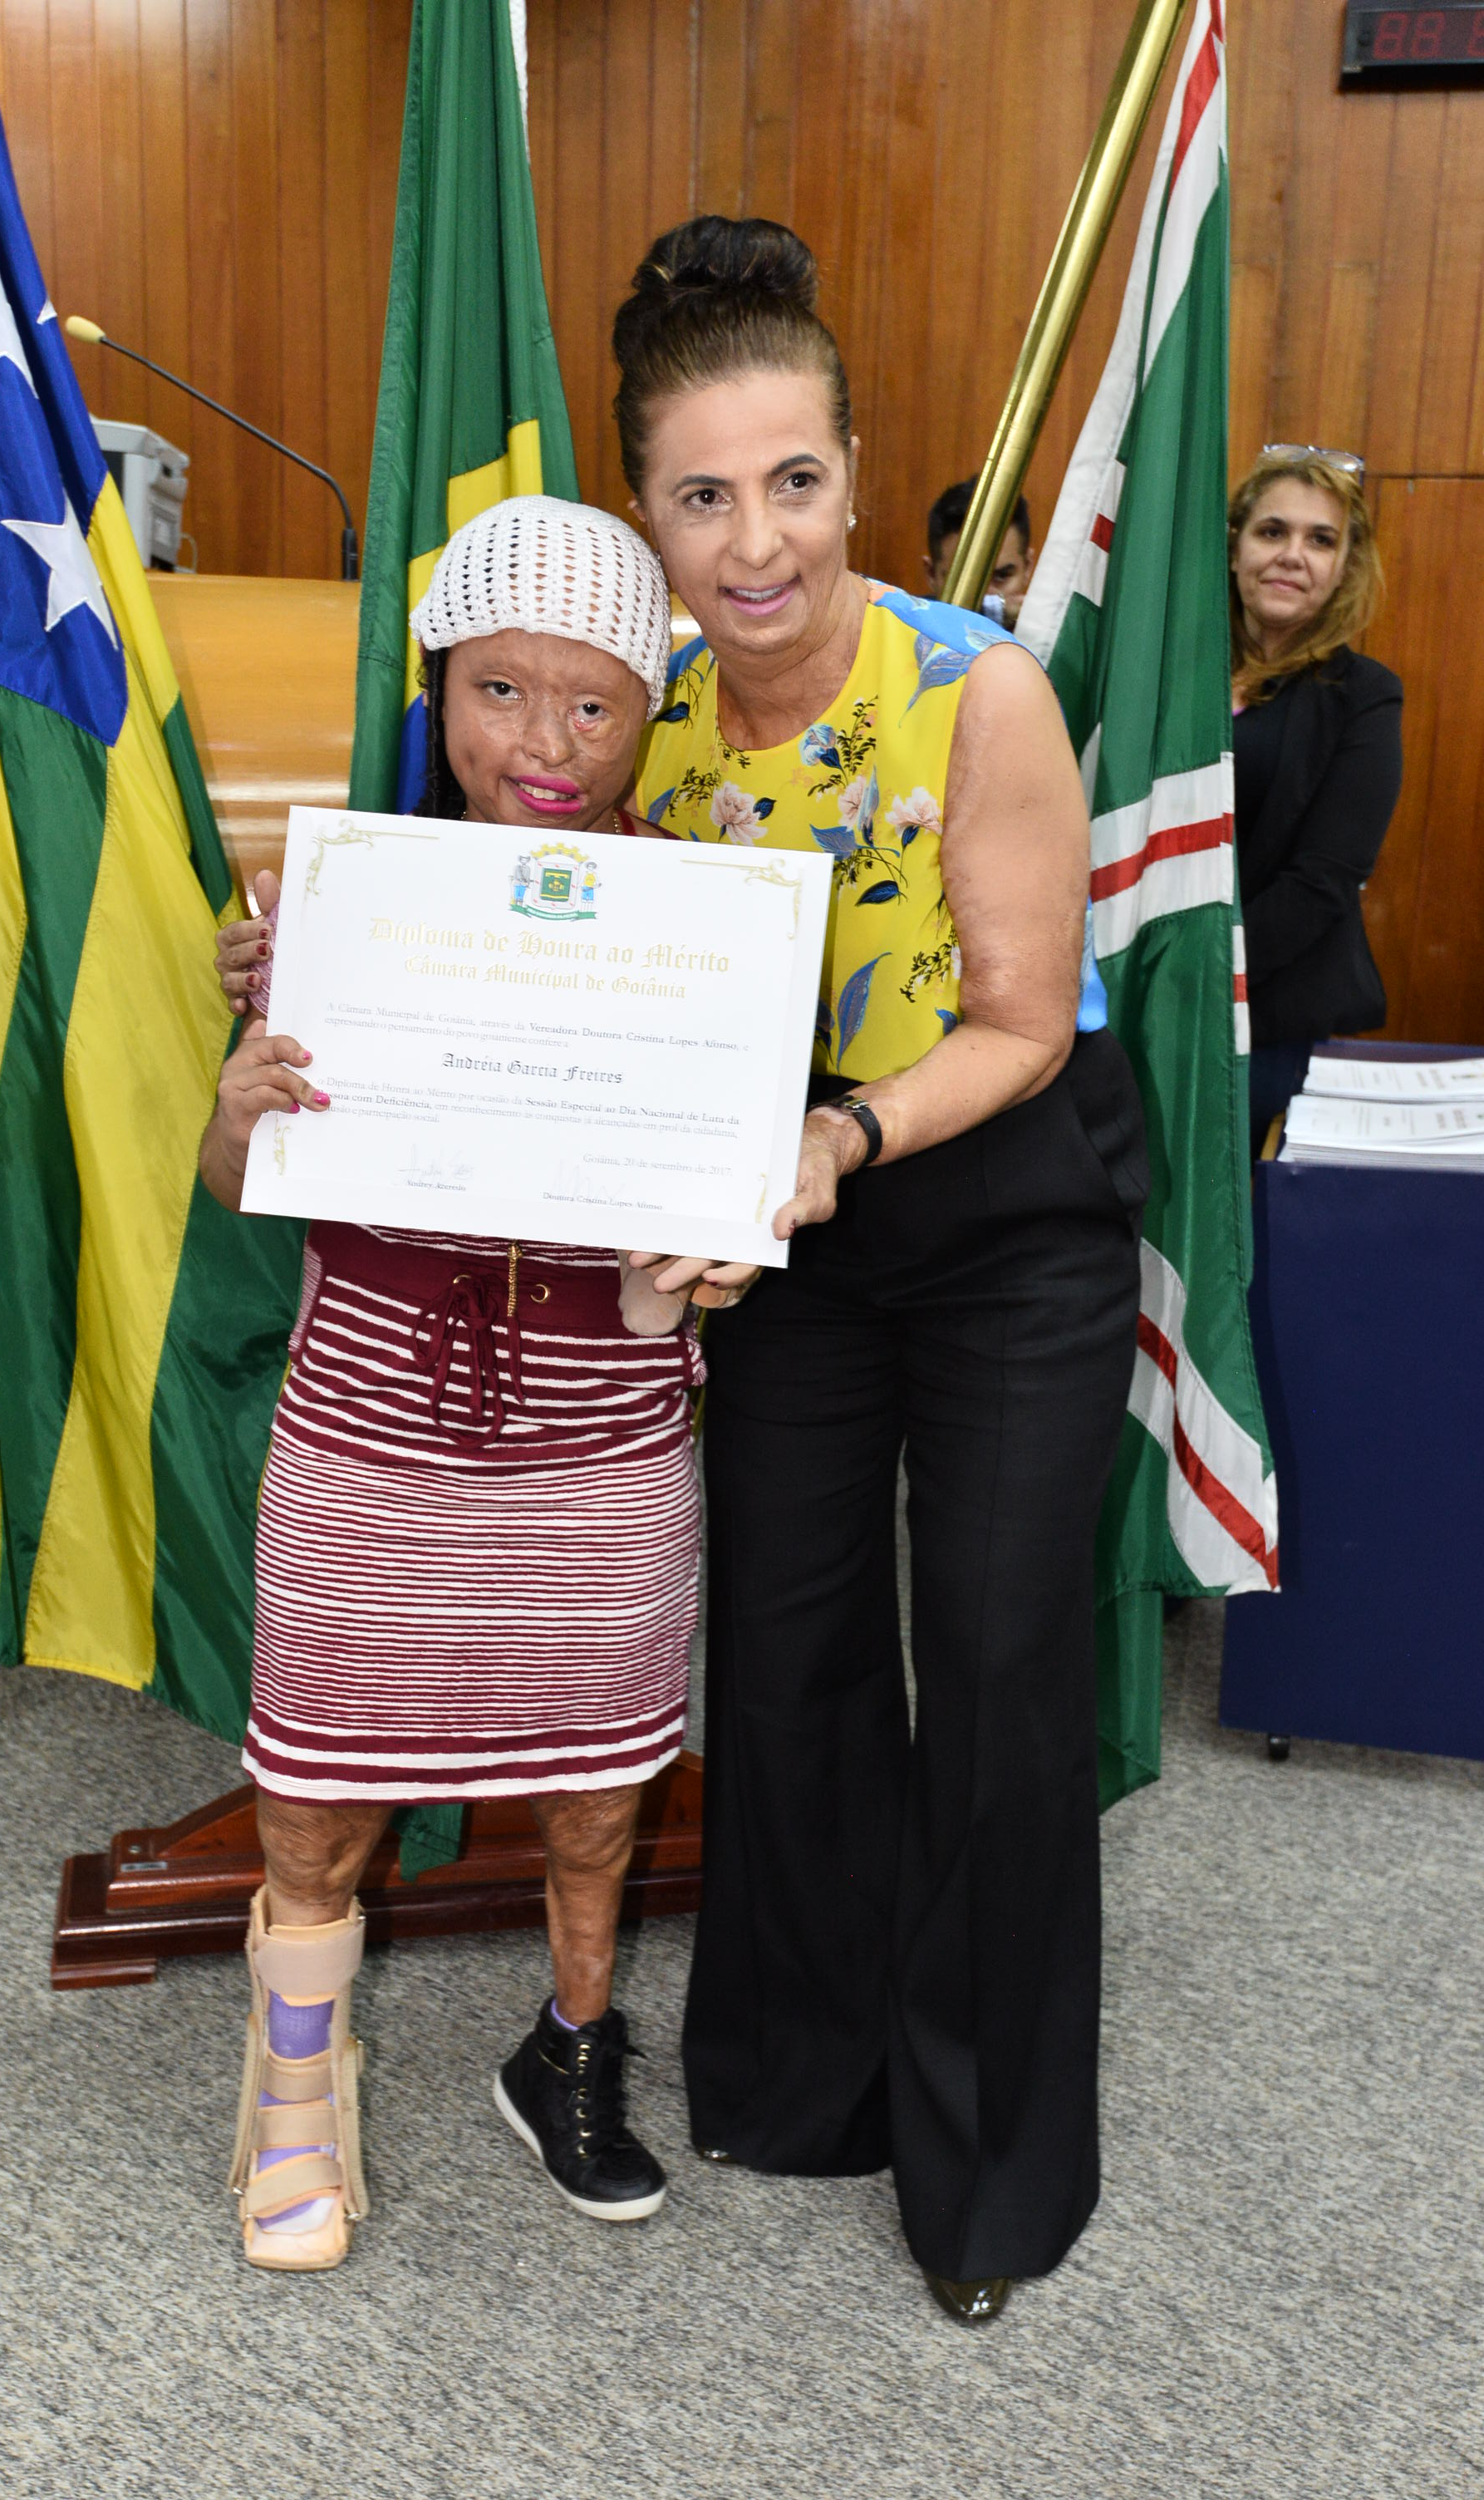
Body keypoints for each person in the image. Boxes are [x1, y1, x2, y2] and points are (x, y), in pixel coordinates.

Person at [618, 216, 1147, 2326]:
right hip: (791, 1225)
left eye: (793, 480)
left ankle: (989, 2174)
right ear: (645, 511)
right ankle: (805, 2075)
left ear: (849, 468)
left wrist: (834, 1141)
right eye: (700, 495)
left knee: (997, 1664)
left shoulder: (972, 687)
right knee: (788, 1645)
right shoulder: (652, 718)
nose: (753, 542)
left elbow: (1017, 1023)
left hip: (995, 1196)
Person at [202, 496, 742, 2271]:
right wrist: (240, 1100)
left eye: (592, 703)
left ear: (651, 709)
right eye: (501, 691)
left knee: (598, 1790)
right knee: (315, 1789)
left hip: (602, 1432)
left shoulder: (714, 930)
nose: (544, 745)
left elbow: (711, 1214)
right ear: (439, 691)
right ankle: (296, 2084)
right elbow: (234, 1183)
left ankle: (570, 2048)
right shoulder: (344, 905)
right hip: (366, 1422)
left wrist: (706, 1255)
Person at [1229, 447, 1403, 1145]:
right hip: (1140, 1002)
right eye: (1272, 531)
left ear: (1344, 567)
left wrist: (1200, 973)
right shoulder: (1169, 674)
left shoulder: (1365, 696)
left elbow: (1323, 881)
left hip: (1270, 1023)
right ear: (1234, 548)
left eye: (1320, 540)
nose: (1292, 556)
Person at [926, 473, 1034, 625]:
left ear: (1028, 567)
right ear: (931, 575)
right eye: (962, 580)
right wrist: (997, 609)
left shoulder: (1052, 635)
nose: (986, 596)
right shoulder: (905, 627)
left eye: (1001, 577)